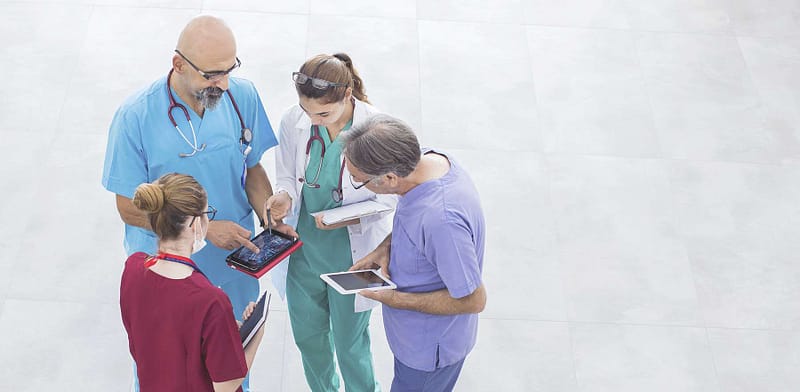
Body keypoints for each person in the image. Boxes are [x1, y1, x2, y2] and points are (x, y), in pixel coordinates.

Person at [102, 15, 277, 390]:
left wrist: (268, 213)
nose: (224, 84)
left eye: (230, 71)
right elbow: (127, 205)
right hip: (168, 270)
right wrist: (205, 230)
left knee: (230, 364)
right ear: (178, 64)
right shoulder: (135, 118)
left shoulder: (240, 96)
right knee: (167, 370)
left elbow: (252, 166)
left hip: (234, 266)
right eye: (212, 75)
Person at [265, 53, 395, 392]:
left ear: (348, 95)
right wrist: (283, 197)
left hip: (353, 256)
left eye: (324, 113)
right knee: (309, 340)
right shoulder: (294, 121)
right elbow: (287, 178)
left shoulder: (378, 129)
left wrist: (341, 218)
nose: (314, 120)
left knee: (350, 344)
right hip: (304, 252)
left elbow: (390, 197)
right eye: (308, 111)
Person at [342, 114, 487, 392]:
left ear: (389, 177)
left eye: (358, 180)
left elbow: (474, 300)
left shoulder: (442, 220)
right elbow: (413, 219)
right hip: (413, 342)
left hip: (429, 352)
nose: (356, 183)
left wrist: (395, 299)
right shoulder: (427, 162)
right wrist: (385, 248)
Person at [120, 173, 266, 391]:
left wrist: (224, 328)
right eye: (208, 214)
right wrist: (257, 334)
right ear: (195, 224)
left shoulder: (133, 268)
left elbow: (161, 332)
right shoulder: (211, 301)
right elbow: (226, 386)